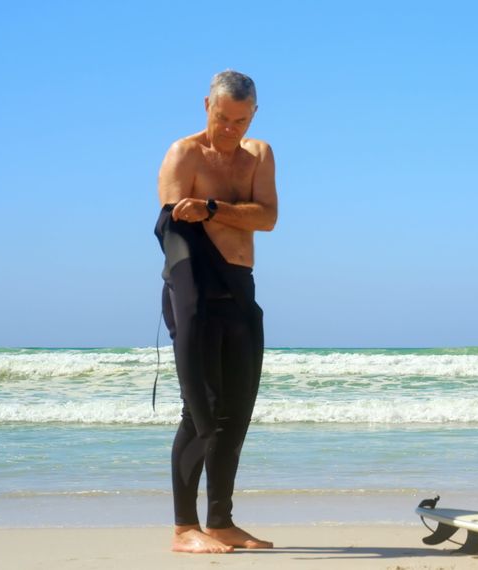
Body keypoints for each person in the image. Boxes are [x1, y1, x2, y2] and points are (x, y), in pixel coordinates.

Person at [155, 69, 277, 554]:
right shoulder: (184, 153)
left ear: (254, 114)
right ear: (206, 104)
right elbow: (172, 231)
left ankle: (221, 522)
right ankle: (185, 529)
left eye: (241, 120)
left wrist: (209, 206)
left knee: (237, 413)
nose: (231, 129)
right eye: (224, 118)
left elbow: (267, 217)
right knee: (200, 411)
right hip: (196, 293)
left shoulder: (259, 155)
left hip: (241, 293)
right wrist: (188, 313)